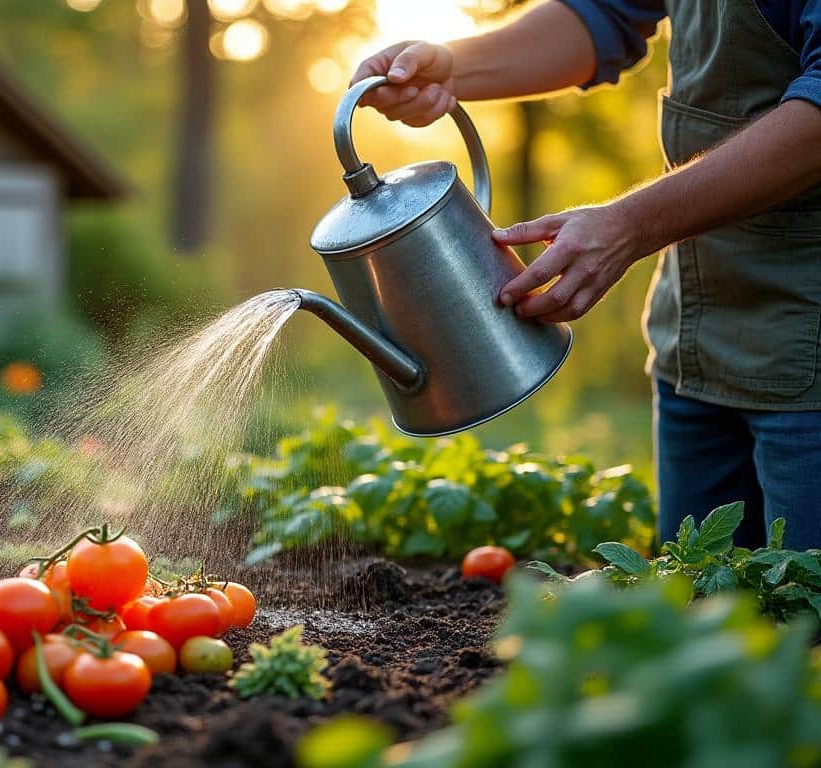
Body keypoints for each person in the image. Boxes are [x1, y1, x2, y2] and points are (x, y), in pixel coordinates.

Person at [350, 0, 821, 550]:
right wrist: (452, 69)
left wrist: (631, 224)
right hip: (694, 333)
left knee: (799, 596)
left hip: (805, 348)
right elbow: (608, 14)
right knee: (696, 594)